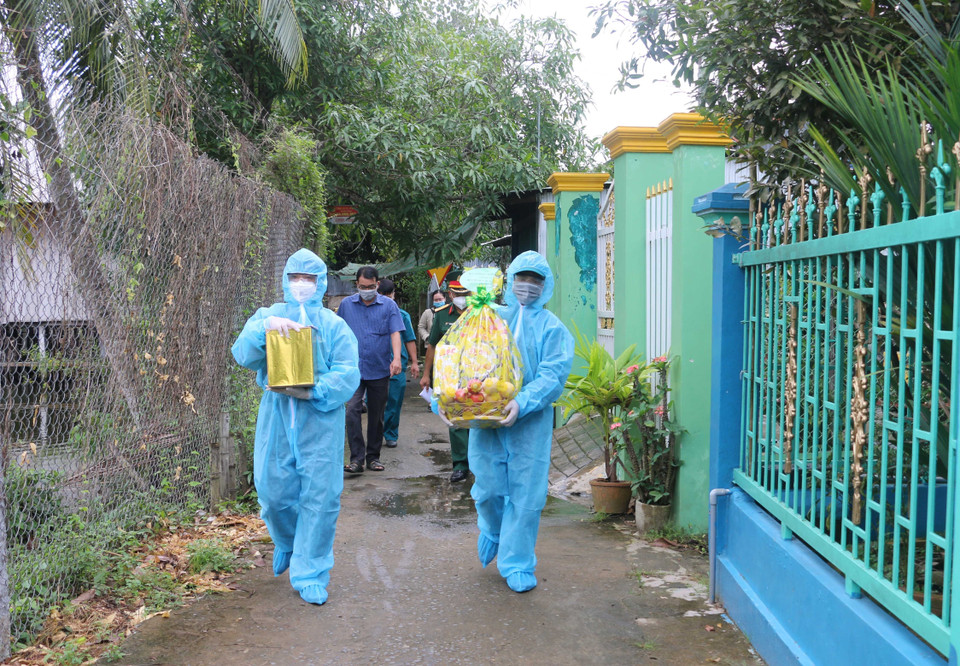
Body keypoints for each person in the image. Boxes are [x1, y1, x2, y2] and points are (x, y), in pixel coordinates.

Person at [231, 249, 360, 606]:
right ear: (285, 280)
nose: (301, 284)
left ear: (320, 283)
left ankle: (311, 571)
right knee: (273, 494)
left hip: (320, 421)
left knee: (320, 498)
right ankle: (288, 543)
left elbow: (349, 373)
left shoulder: (334, 326)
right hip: (276, 417)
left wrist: (315, 391)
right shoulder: (268, 316)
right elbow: (242, 355)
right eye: (295, 278)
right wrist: (264, 329)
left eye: (308, 279)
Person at [464, 251, 573, 593]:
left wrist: (522, 401)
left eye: (535, 280)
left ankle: (518, 561)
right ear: (509, 282)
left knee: (526, 494)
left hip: (530, 423)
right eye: (522, 279)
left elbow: (552, 375)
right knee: (488, 488)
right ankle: (493, 529)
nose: (528, 286)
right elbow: (464, 358)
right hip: (487, 418)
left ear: (546, 285)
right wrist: (447, 399)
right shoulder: (489, 318)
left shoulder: (553, 329)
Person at [336, 265, 404, 474]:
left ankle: (373, 457)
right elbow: (337, 333)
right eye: (363, 286)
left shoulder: (388, 306)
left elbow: (395, 333)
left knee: (376, 414)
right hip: (352, 369)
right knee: (352, 411)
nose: (367, 290)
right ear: (357, 285)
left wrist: (397, 359)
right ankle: (357, 459)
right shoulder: (346, 306)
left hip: (379, 367)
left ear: (377, 284)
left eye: (371, 286)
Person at [420, 280, 472, 482]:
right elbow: (432, 345)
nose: (462, 297)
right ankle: (460, 465)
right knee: (456, 419)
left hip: (476, 372)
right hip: (450, 375)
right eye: (458, 293)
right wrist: (426, 375)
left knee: (478, 417)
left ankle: (479, 462)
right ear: (451, 294)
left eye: (466, 293)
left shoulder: (479, 313)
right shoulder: (441, 315)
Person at [377, 278, 420, 448]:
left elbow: (409, 339)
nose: (388, 298)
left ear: (394, 295)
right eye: (384, 295)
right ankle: (376, 433)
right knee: (376, 403)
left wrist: (415, 362)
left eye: (390, 295)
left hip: (397, 367)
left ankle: (390, 434)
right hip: (376, 366)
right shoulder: (372, 313)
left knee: (394, 403)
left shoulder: (402, 316)